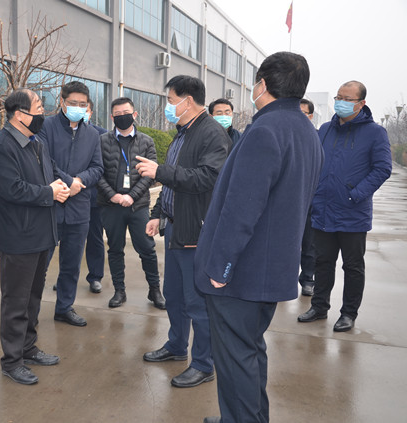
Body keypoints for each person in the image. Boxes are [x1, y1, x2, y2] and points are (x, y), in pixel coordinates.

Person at [194, 52, 323, 423]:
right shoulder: (305, 130)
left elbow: (242, 208)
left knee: (236, 360)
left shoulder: (266, 130)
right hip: (270, 268)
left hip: (243, 274)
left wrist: (221, 266)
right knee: (248, 353)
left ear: (262, 84)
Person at [137, 75, 230, 388]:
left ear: (187, 101)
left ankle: (203, 364)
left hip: (196, 233)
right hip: (176, 229)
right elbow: (172, 186)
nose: (168, 106)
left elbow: (206, 178)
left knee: (197, 303)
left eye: (171, 100)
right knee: (175, 296)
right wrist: (158, 214)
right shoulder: (182, 133)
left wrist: (159, 171)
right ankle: (177, 345)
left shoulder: (212, 134)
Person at [0, 89, 71, 385]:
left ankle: (28, 348)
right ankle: (12, 361)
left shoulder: (37, 142)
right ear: (20, 115)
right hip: (19, 237)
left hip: (42, 234)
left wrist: (62, 184)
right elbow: (12, 189)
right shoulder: (2, 146)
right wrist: (49, 192)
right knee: (16, 301)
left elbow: (49, 174)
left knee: (33, 297)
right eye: (38, 107)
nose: (43, 112)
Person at [298, 81, 392, 332]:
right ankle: (319, 307)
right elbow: (313, 161)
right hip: (323, 210)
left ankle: (348, 313)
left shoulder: (375, 133)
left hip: (353, 212)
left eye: (347, 99)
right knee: (322, 262)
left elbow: (382, 168)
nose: (341, 102)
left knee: (352, 266)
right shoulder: (325, 129)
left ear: (361, 103)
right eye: (338, 97)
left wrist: (355, 194)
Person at [38, 81, 104, 327]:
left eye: (82, 104)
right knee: (40, 265)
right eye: (73, 103)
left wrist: (80, 181)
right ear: (62, 102)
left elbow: (98, 167)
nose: (78, 107)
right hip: (51, 207)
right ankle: (29, 310)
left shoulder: (92, 134)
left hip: (79, 208)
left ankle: (64, 308)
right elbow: (44, 161)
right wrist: (69, 182)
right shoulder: (46, 127)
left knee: (72, 264)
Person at [97, 97, 166, 309]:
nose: (122, 117)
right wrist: (114, 196)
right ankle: (119, 291)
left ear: (134, 115)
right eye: (117, 114)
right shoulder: (102, 141)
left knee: (147, 248)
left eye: (126, 113)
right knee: (115, 249)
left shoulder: (147, 141)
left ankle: (155, 290)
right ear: (112, 117)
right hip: (111, 205)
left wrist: (132, 196)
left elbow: (150, 175)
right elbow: (98, 172)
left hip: (138, 206)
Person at [83, 99, 107, 294]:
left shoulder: (101, 135)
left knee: (95, 238)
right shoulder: (62, 134)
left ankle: (95, 276)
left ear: (91, 112)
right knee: (67, 241)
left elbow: (105, 168)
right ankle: (66, 276)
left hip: (94, 198)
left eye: (85, 109)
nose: (81, 112)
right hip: (68, 197)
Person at [298, 98, 317, 296]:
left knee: (310, 244)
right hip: (289, 200)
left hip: (312, 199)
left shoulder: (316, 138)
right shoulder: (285, 135)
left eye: (303, 113)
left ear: (310, 116)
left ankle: (308, 278)